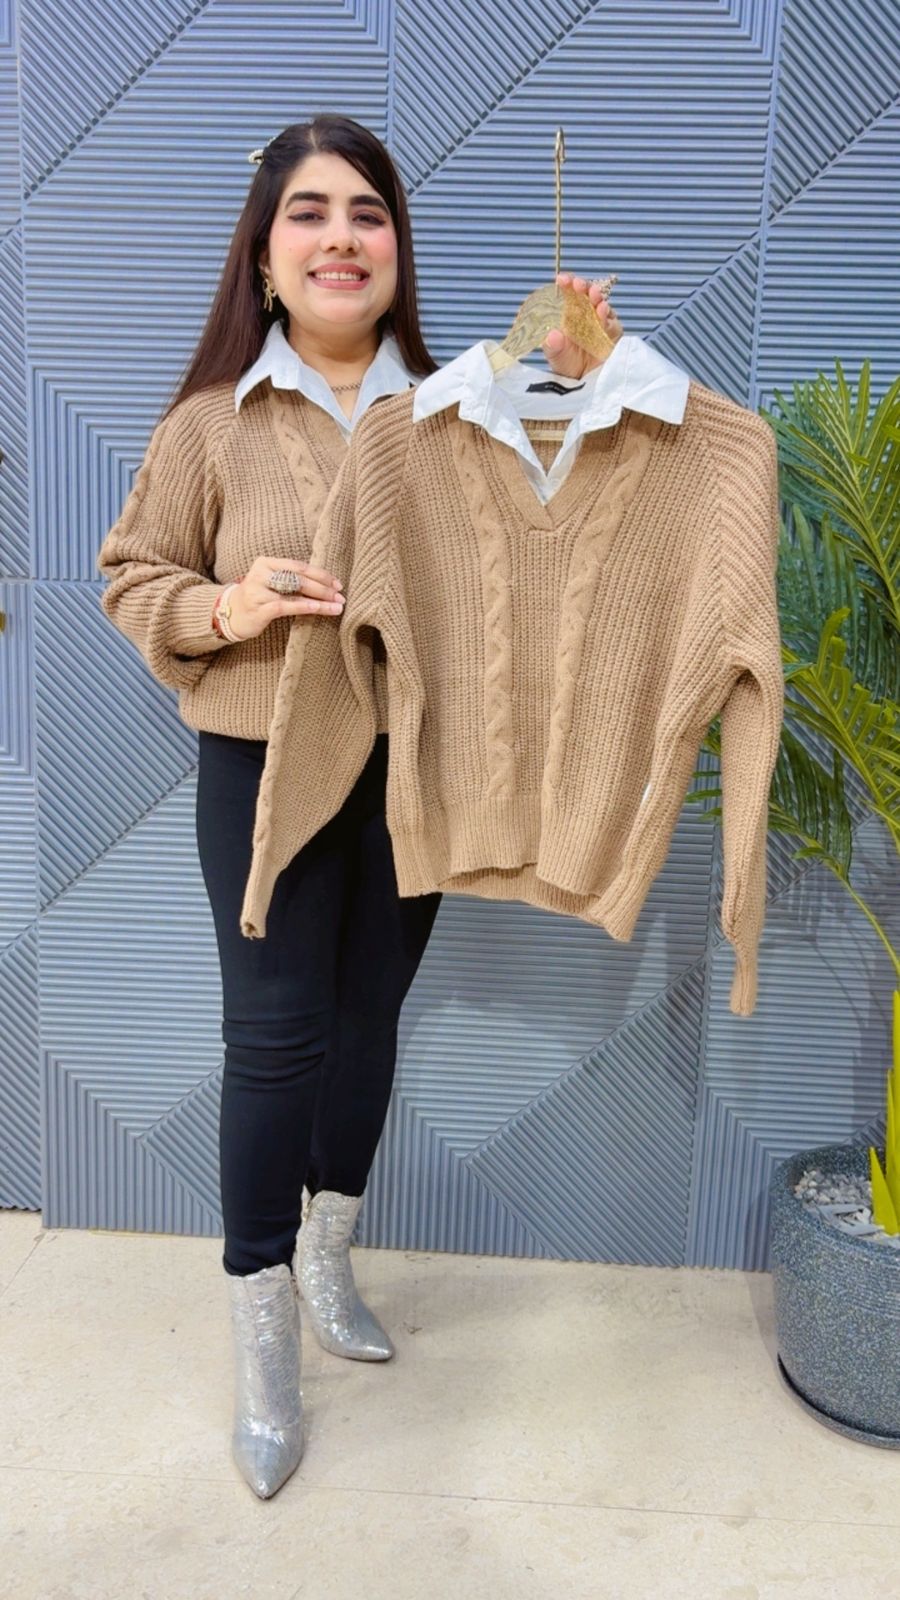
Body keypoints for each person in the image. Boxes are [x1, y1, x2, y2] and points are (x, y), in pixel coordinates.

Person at [97, 112, 621, 1500]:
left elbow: (553, 552)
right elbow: (133, 575)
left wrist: (573, 387)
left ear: (398, 249)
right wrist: (228, 605)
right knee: (274, 1043)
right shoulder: (213, 423)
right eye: (311, 213)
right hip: (262, 769)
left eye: (369, 214)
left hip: (415, 770)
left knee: (369, 1019)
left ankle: (331, 1255)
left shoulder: (462, 407)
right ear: (265, 257)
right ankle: (262, 1321)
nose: (342, 237)